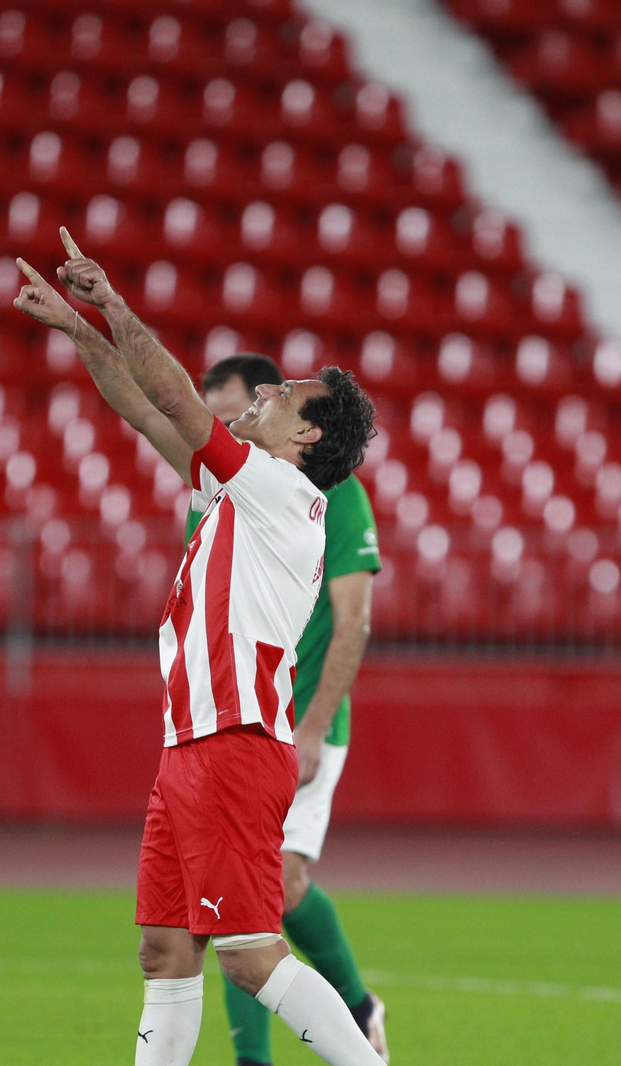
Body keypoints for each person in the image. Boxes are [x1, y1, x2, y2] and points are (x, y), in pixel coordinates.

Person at [12, 229, 386, 1066]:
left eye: (283, 396)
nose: (261, 396)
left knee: (252, 956)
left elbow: (178, 401)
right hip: (191, 744)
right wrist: (79, 331)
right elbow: (143, 406)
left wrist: (111, 302)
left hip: (233, 746)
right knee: (166, 950)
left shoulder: (282, 492)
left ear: (307, 439)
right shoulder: (243, 489)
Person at [194, 354, 389, 1064]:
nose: (219, 423)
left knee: (262, 892)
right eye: (207, 411)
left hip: (300, 721)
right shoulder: (227, 476)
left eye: (229, 407)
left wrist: (312, 727)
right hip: (240, 716)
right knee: (248, 895)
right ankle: (354, 1012)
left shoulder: (337, 495)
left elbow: (353, 619)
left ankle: (340, 1019)